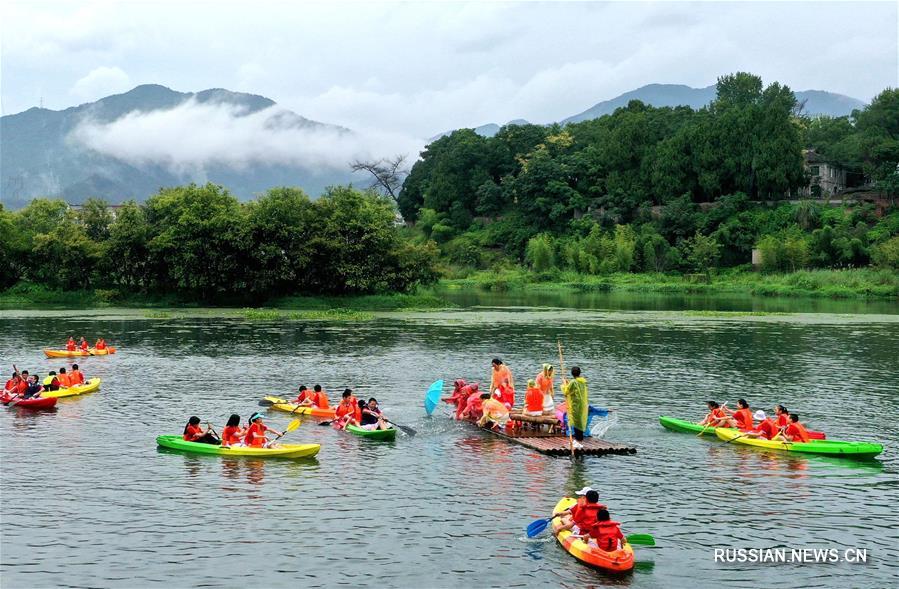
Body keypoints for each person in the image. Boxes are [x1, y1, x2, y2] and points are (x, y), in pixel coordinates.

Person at [562, 366, 589, 450]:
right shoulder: (582, 381)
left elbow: (566, 392)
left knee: (577, 422)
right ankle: (578, 440)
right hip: (582, 404)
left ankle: (578, 441)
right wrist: (567, 383)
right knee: (579, 421)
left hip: (576, 405)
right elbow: (574, 390)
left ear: (572, 373)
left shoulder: (573, 382)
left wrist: (564, 384)